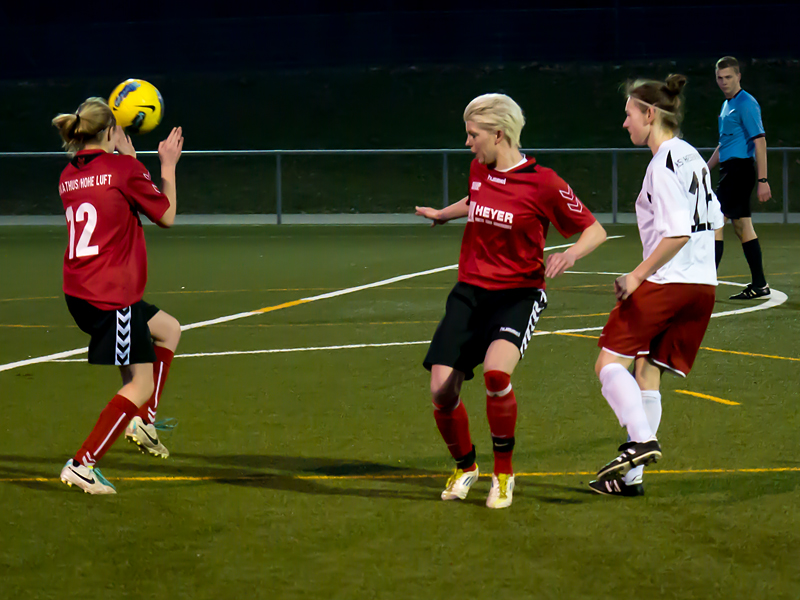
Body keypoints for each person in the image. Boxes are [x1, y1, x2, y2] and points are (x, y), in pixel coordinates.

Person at [415, 93, 607, 509]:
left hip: (518, 294)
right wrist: (443, 214)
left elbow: (594, 229)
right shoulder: (478, 170)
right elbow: (477, 200)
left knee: (496, 376)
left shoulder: (544, 182)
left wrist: (570, 252)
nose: (467, 143)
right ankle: (466, 467)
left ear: (498, 134)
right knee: (441, 392)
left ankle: (504, 475)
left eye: (472, 134)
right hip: (469, 292)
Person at [590, 75, 724, 497]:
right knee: (647, 372)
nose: (624, 122)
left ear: (650, 114)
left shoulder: (664, 161)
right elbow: (715, 222)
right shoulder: (693, 158)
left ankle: (640, 442)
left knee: (608, 363)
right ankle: (631, 479)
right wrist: (703, 272)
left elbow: (678, 232)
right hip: (701, 287)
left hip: (669, 282)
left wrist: (637, 275)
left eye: (629, 113)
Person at [52, 97, 184, 494]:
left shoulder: (67, 175)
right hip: (110, 295)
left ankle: (144, 421)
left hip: (83, 289)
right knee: (139, 384)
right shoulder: (123, 170)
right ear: (111, 131)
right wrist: (166, 167)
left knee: (169, 330)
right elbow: (166, 215)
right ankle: (82, 464)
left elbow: (108, 187)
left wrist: (128, 160)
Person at [707, 56, 771, 299]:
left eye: (728, 77)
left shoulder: (746, 103)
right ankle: (760, 284)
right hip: (730, 170)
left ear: (739, 76)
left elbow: (760, 142)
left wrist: (763, 181)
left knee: (714, 220)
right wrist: (705, 168)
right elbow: (724, 144)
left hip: (739, 171)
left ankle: (705, 283)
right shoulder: (727, 104)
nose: (723, 82)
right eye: (719, 78)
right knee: (742, 227)